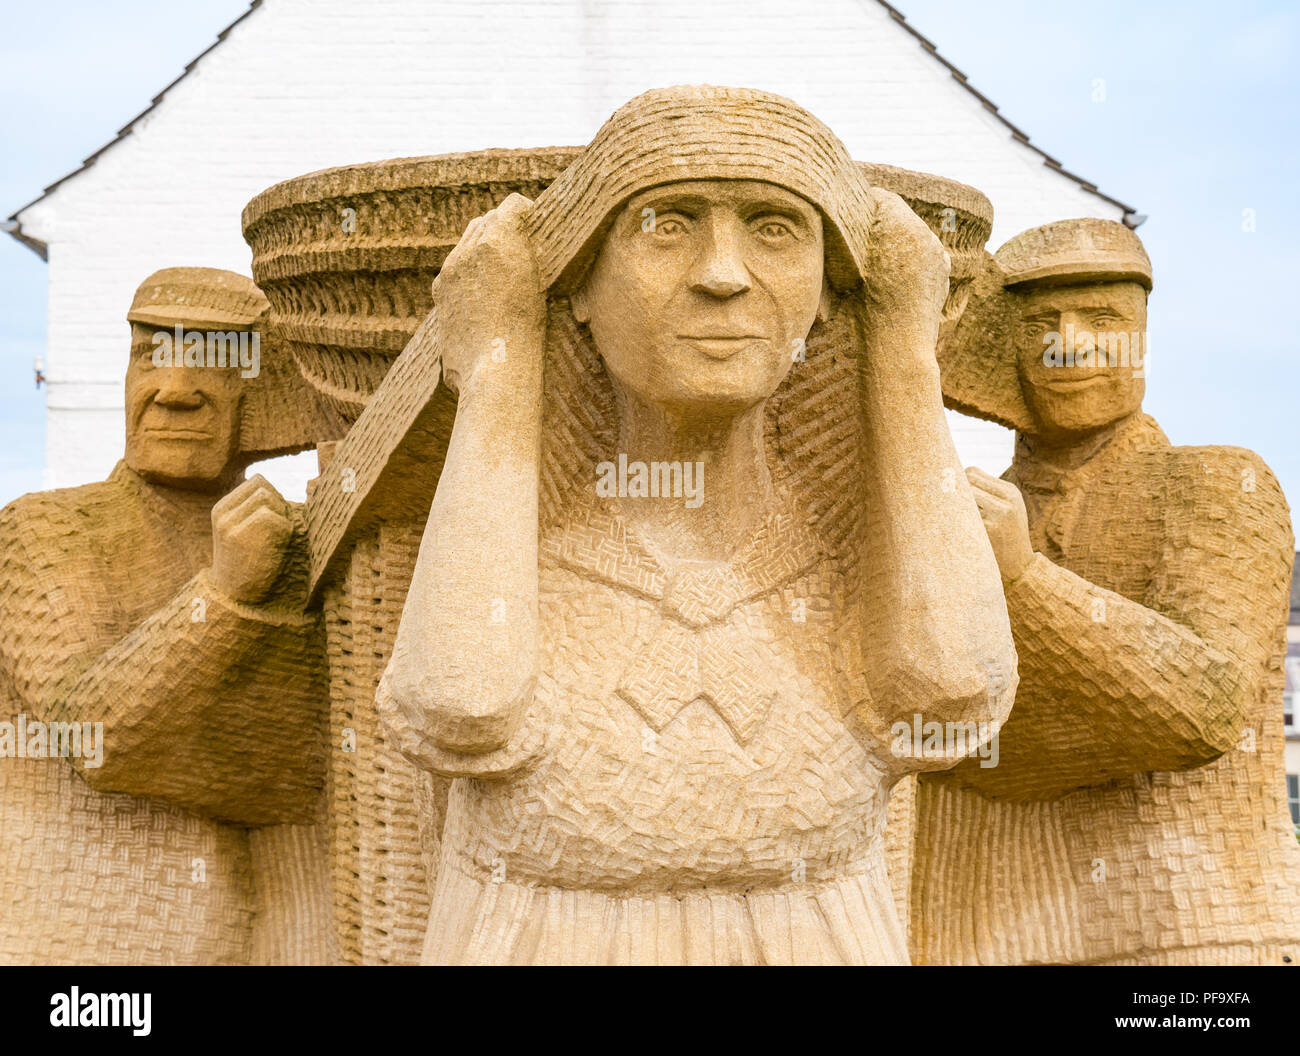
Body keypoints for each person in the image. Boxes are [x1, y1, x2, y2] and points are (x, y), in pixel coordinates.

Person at [376, 85, 1017, 965]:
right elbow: (456, 706)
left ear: (830, 297)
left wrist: (904, 349)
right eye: (667, 224)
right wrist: (499, 359)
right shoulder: (520, 563)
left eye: (775, 228)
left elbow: (954, 697)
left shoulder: (844, 565)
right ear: (583, 290)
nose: (722, 274)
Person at [918, 218, 1300, 965]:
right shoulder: (958, 516)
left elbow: (1202, 707)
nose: (1072, 344)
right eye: (1040, 324)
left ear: (1143, 337)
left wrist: (1024, 579)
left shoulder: (1218, 482)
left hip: (1183, 929)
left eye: (1104, 320)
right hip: (974, 927)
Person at [0, 268, 329, 964]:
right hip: (86, 955)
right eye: (151, 354)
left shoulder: (303, 549)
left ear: (263, 391)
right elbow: (98, 735)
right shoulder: (45, 531)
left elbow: (314, 766)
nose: (174, 390)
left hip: (263, 937)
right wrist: (224, 597)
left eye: (214, 358)